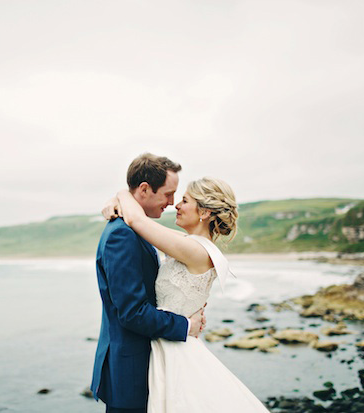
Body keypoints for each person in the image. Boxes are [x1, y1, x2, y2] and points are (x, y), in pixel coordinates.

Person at [107, 176, 270, 412]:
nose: (177, 205)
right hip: (168, 341)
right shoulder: (189, 243)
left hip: (175, 349)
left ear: (203, 212)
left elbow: (135, 220)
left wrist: (122, 193)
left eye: (184, 200)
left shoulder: (195, 250)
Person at [90, 153, 206, 413]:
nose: (172, 202)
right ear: (144, 189)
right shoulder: (122, 235)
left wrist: (120, 195)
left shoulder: (137, 230)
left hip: (149, 366)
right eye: (168, 193)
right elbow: (132, 313)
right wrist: (186, 325)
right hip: (129, 373)